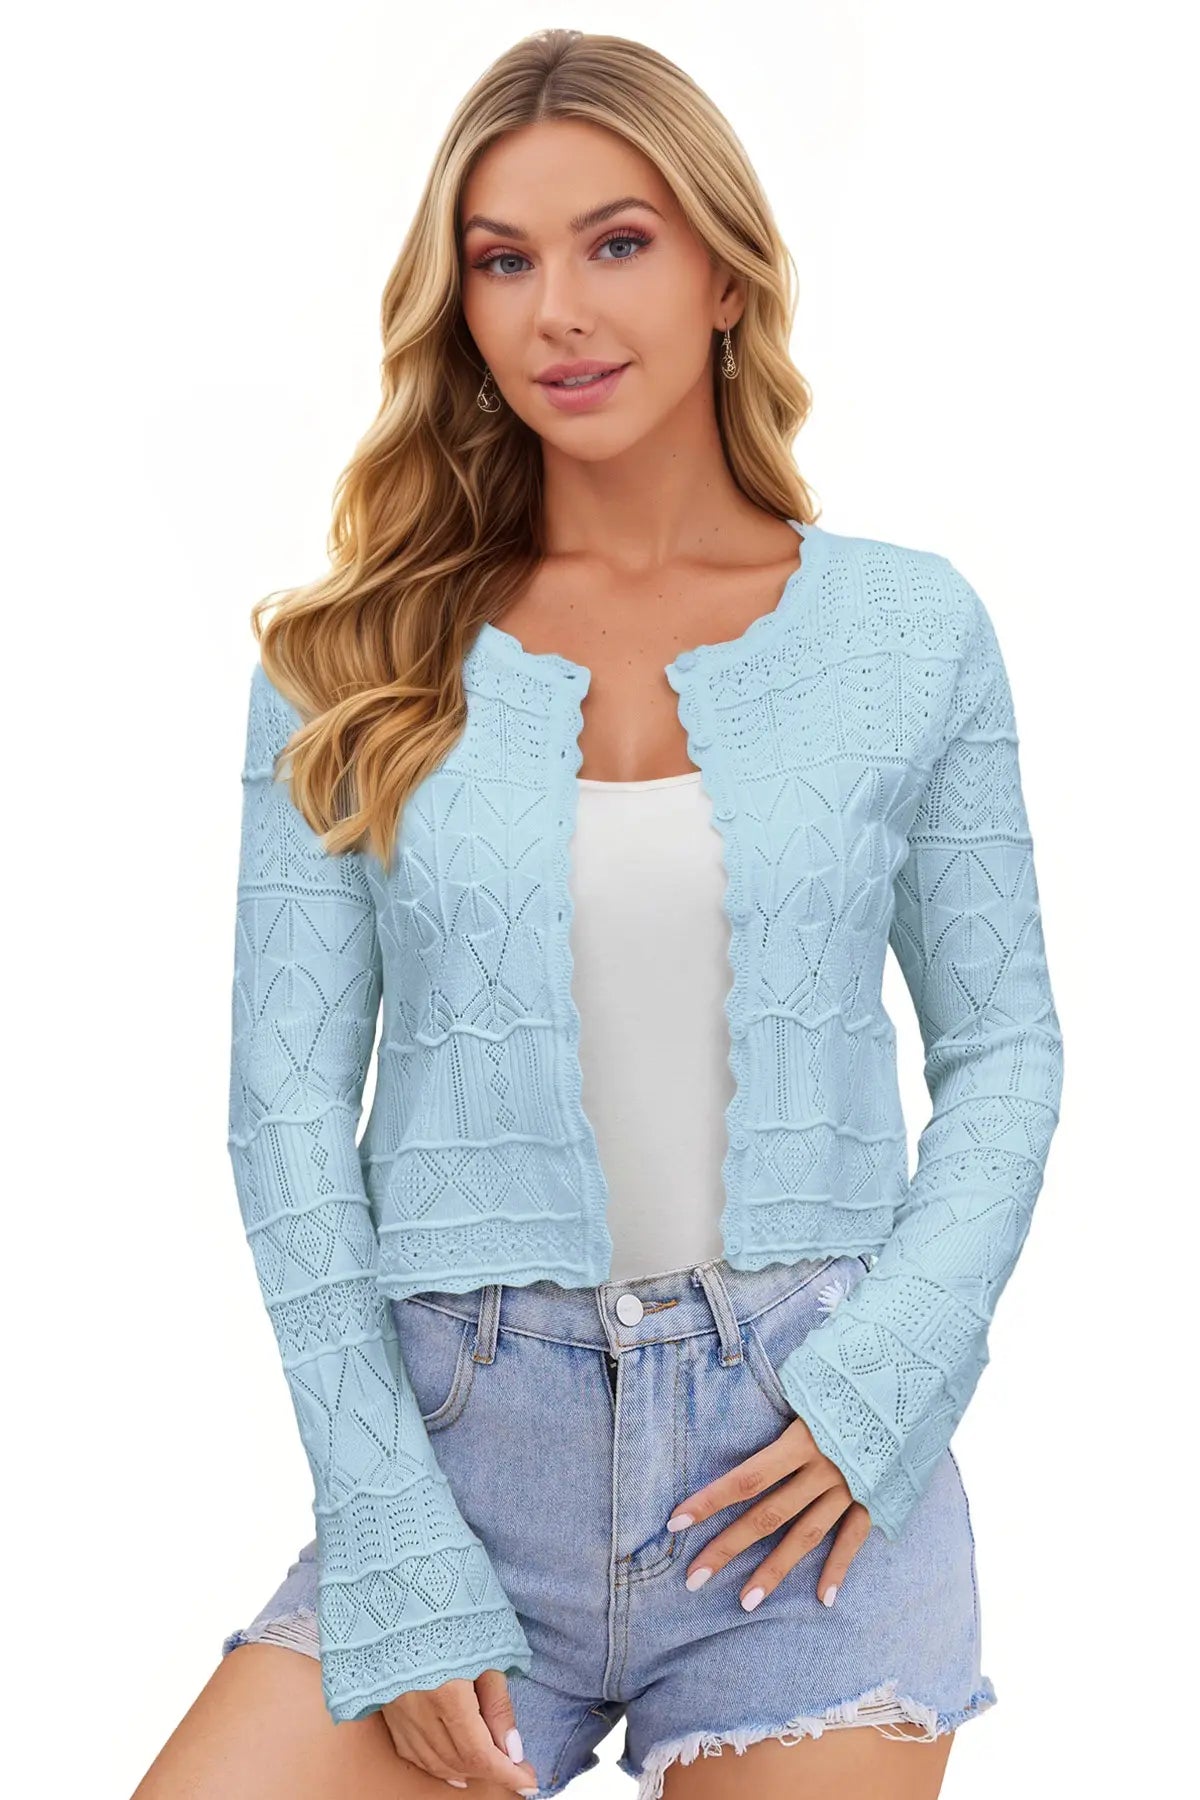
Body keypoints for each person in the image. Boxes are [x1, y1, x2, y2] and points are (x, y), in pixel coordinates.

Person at [132, 27, 1063, 1800]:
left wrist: (889, 1387)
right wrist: (391, 1533)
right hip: (462, 1457)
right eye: (504, 260)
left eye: (617, 242)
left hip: (803, 1476)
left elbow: (1007, 1052)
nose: (557, 309)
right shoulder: (348, 656)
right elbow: (283, 1119)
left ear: (727, 274)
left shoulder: (910, 634)